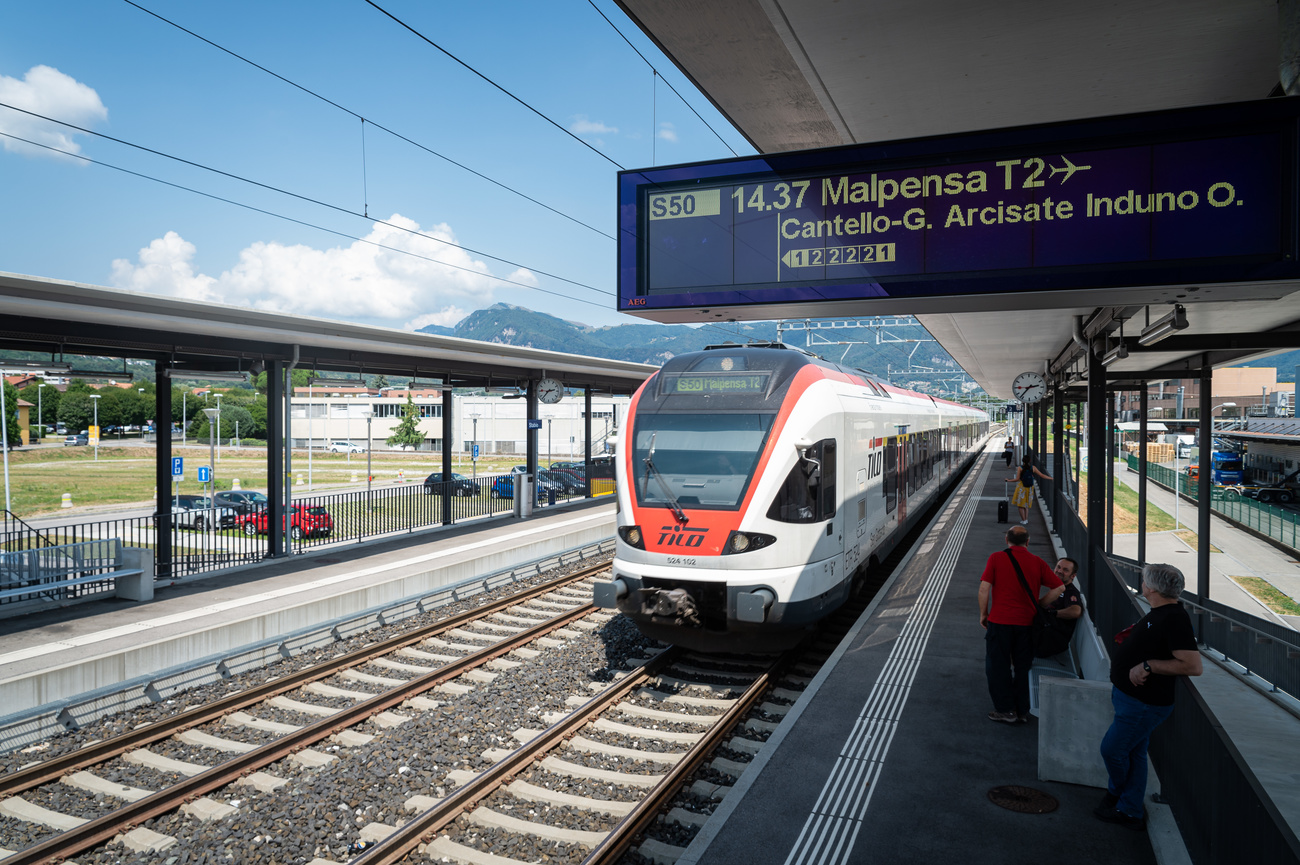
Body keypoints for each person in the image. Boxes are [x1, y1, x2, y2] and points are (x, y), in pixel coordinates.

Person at [1096, 563, 1202, 830]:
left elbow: (1192, 665)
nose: (1141, 583)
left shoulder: (1174, 618)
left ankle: (1117, 794)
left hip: (1142, 705)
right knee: (1135, 753)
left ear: (1151, 588)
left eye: (1143, 580)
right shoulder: (1162, 612)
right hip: (1134, 700)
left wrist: (1149, 665)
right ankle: (1130, 809)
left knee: (1112, 750)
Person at [978, 525, 1065, 723]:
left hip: (999, 622)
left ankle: (1006, 710)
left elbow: (984, 589)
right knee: (1022, 666)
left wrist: (984, 614)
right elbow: (1059, 587)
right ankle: (1021, 710)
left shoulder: (996, 558)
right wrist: (1039, 604)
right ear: (1028, 542)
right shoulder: (1037, 562)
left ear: (1006, 540)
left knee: (997, 666)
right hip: (1027, 624)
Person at [1008, 455, 1051, 525]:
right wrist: (1051, 478)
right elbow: (1042, 475)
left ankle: (1023, 520)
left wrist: (1008, 480)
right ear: (1030, 461)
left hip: (1022, 488)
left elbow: (1017, 479)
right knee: (1026, 505)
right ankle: (1026, 519)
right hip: (1030, 488)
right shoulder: (1033, 468)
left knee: (1020, 505)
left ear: (1023, 461)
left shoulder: (1020, 468)